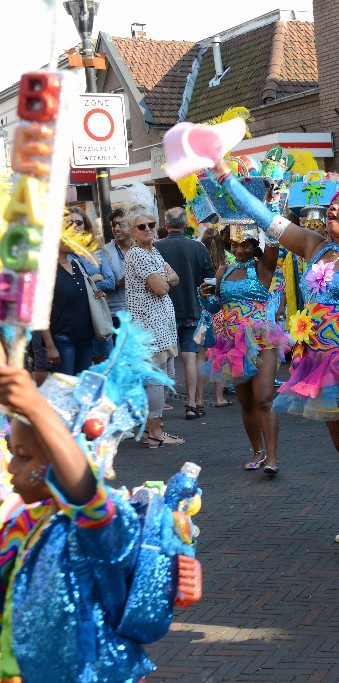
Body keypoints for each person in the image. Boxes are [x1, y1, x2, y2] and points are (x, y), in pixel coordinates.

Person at [209, 169, 339, 573]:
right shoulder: (315, 246)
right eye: (332, 202)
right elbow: (265, 218)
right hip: (316, 359)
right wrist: (226, 178)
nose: (332, 207)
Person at [0, 320, 189, 682]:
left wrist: (38, 410)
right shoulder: (25, 523)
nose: (11, 466)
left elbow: (83, 491)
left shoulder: (105, 522)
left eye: (24, 455)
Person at [199, 226, 287, 473]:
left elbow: (273, 241)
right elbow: (217, 307)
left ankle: (272, 457)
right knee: (246, 402)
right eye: (235, 245)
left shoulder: (263, 267)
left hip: (262, 340)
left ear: (254, 245)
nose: (239, 250)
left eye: (245, 244)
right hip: (232, 343)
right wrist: (205, 297)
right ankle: (258, 452)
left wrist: (263, 212)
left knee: (264, 399)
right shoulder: (223, 271)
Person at [123, 207, 183, 447]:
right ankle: (155, 433)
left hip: (162, 325)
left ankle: (151, 429)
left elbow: (174, 279)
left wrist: (164, 280)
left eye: (151, 225)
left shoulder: (154, 252)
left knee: (166, 377)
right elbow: (161, 288)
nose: (148, 229)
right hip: (148, 327)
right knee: (156, 379)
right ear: (132, 232)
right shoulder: (137, 254)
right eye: (142, 226)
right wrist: (164, 280)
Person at [35, 210, 115, 378]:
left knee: (80, 387)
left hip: (84, 338)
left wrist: (98, 294)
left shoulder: (76, 264)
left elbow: (86, 292)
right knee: (66, 387)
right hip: (62, 339)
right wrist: (49, 345)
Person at [155, 207, 216, 419]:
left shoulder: (155, 248)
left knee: (162, 359)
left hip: (163, 312)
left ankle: (158, 408)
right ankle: (191, 404)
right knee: (190, 357)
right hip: (192, 309)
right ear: (185, 225)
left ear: (166, 225)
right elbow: (210, 281)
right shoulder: (198, 248)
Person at [198, 229, 231, 409]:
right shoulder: (226, 262)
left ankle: (198, 399)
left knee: (202, 356)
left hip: (204, 311)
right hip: (220, 312)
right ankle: (219, 397)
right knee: (219, 355)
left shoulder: (199, 256)